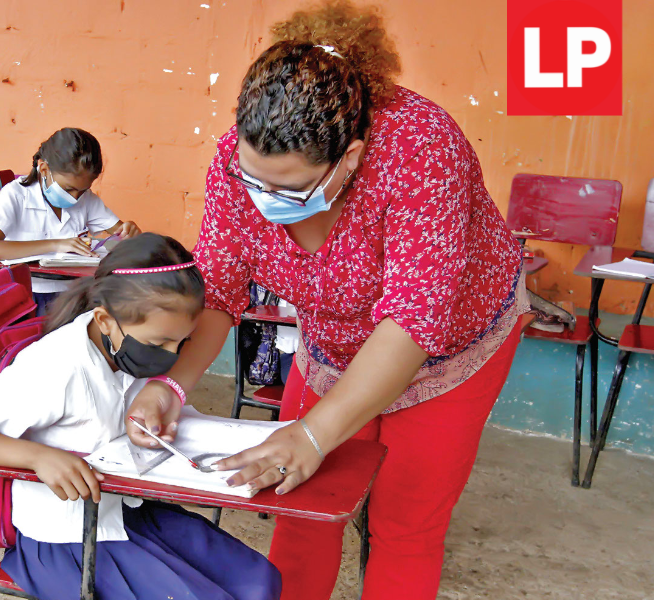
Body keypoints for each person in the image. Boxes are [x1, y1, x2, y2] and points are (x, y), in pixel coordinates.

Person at [124, 2, 529, 600]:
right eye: (251, 177)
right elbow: (221, 291)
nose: (262, 198)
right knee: (300, 505)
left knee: (404, 526)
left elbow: (415, 323)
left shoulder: (421, 150)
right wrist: (174, 384)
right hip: (333, 345)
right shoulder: (233, 164)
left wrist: (313, 434)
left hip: (451, 351)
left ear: (352, 160)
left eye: (288, 187)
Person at [0, 233, 281, 600]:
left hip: (132, 509)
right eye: (159, 344)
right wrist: (39, 457)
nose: (171, 356)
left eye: (182, 342)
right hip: (65, 539)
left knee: (259, 581)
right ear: (104, 320)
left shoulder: (125, 338)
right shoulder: (56, 366)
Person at [0, 127, 141, 314]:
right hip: (28, 295)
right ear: (44, 169)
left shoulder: (86, 198)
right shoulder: (16, 195)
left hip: (75, 294)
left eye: (82, 190)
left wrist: (130, 231)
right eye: (69, 188)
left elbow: (121, 232)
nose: (75, 197)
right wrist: (57, 244)